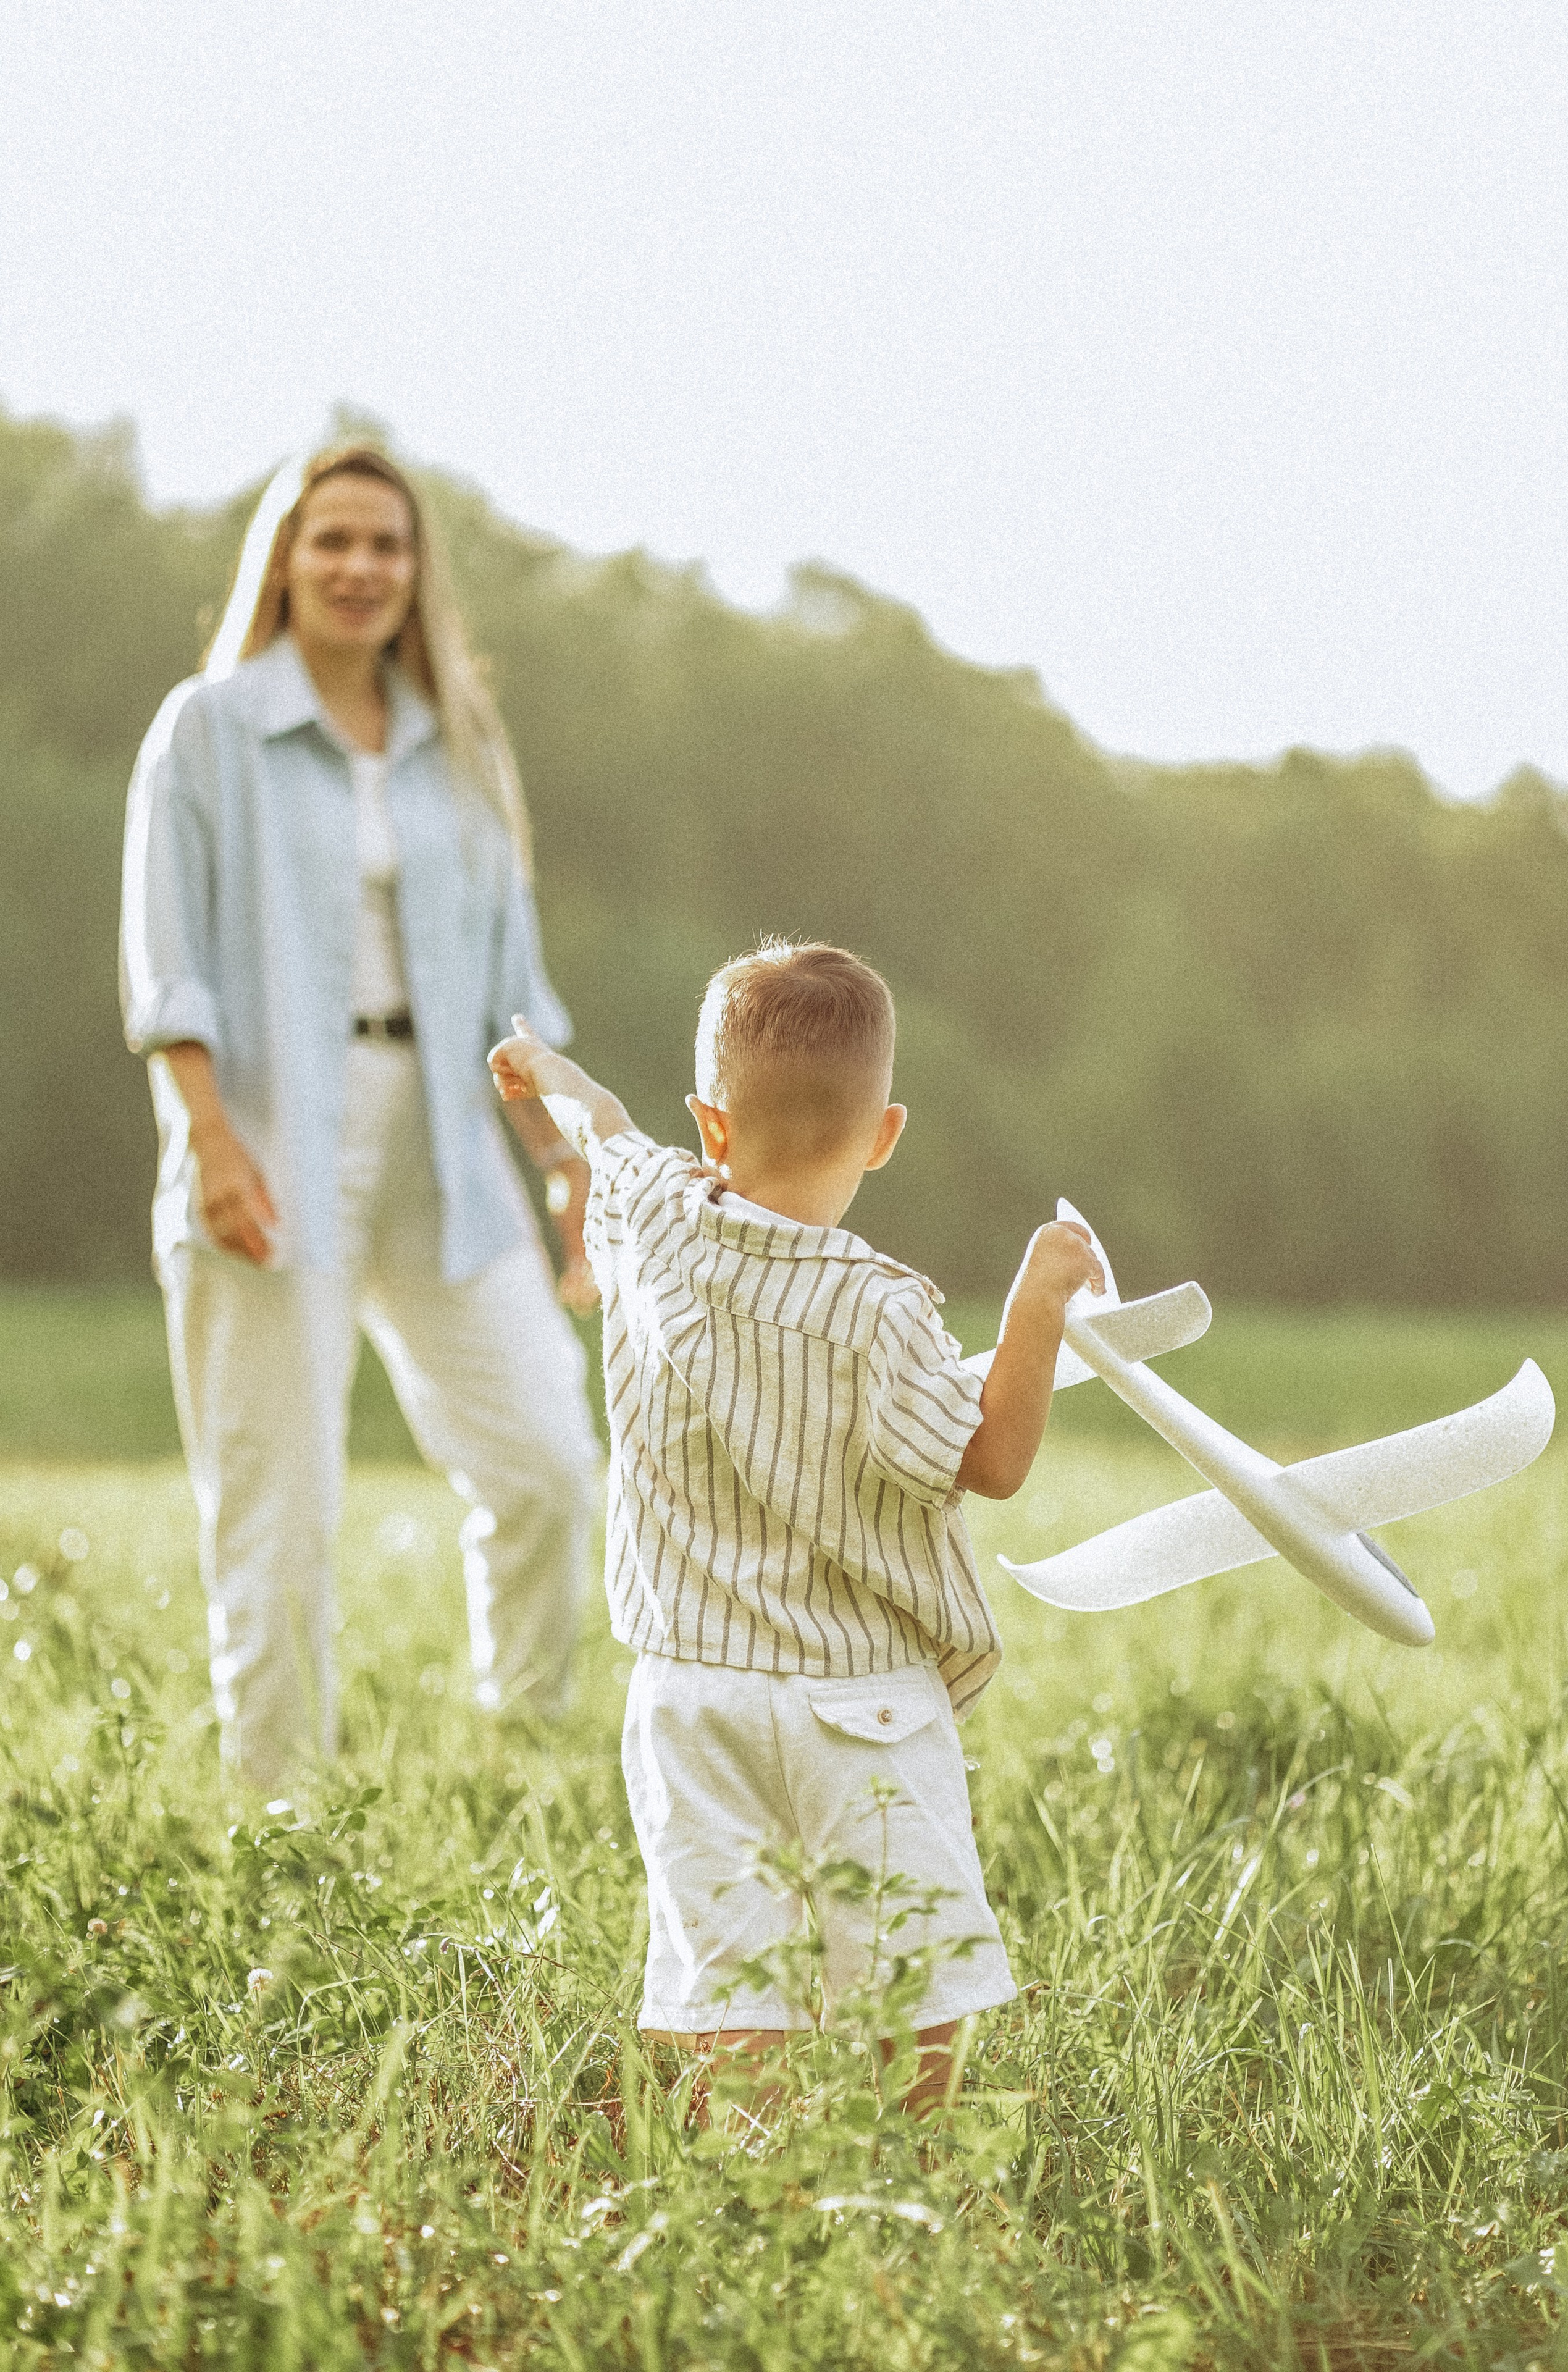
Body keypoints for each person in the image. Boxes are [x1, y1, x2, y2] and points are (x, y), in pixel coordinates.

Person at [489, 939, 1104, 2117]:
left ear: (709, 1126)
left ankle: (763, 2180)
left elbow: (605, 1130)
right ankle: (906, 2152)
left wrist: (543, 1066)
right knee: (909, 1962)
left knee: (734, 1973)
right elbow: (993, 1459)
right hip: (860, 1696)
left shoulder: (655, 1219)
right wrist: (1037, 1309)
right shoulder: (883, 1312)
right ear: (884, 1134)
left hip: (690, 1693)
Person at [120, 444, 602, 1793]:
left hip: (448, 1150)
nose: (357, 568)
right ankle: (286, 1828)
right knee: (281, 1518)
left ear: (416, 570)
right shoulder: (209, 727)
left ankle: (522, 1756)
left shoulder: (463, 747)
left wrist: (564, 1166)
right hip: (270, 1144)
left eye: (384, 545)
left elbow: (517, 990)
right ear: (283, 558)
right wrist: (208, 1141)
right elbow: (168, 968)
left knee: (549, 1469)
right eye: (329, 541)